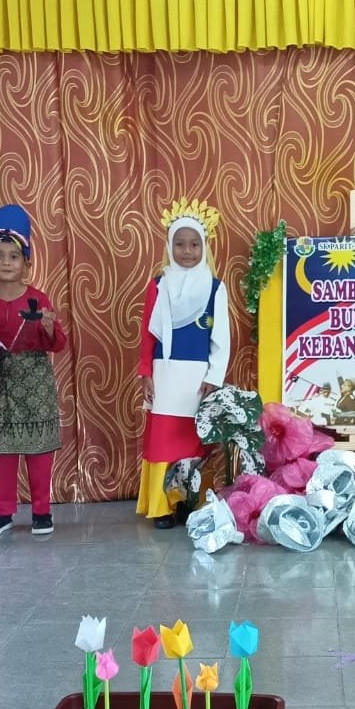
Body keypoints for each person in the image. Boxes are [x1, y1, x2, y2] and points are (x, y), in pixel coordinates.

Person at [0, 205, 66, 538]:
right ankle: (3, 511)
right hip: (3, 386)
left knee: (39, 452)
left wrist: (48, 327)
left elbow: (58, 344)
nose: (6, 262)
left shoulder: (38, 299)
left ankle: (41, 511)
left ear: (26, 263)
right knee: (3, 452)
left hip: (36, 385)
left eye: (14, 256)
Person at [137, 199, 231, 529]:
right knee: (164, 440)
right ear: (169, 246)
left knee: (193, 442)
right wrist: (146, 372)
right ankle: (162, 506)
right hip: (165, 375)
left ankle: (189, 502)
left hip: (197, 379)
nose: (187, 251)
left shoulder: (215, 288)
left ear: (204, 247)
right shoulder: (159, 285)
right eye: (180, 244)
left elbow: (221, 338)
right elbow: (148, 333)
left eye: (194, 244)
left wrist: (214, 377)